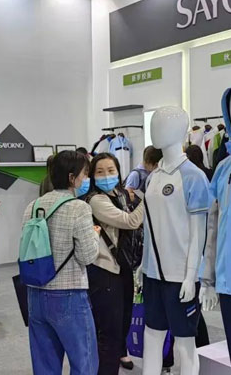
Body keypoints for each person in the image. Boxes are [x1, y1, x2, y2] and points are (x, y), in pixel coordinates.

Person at [22, 150, 101, 375]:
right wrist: (95, 235)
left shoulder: (32, 206)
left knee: (44, 365)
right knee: (84, 362)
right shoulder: (79, 208)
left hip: (35, 292)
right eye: (84, 174)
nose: (86, 179)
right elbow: (87, 256)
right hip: (69, 295)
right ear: (71, 177)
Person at [86, 153, 145, 374]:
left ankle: (121, 352)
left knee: (124, 318)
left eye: (111, 170)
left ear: (119, 172)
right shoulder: (96, 200)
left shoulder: (120, 194)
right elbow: (131, 221)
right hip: (105, 270)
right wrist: (149, 198)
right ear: (92, 176)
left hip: (124, 267)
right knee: (109, 329)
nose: (106, 176)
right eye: (100, 172)